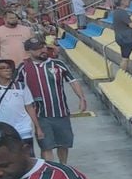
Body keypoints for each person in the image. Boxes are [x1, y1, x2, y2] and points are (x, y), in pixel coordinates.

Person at [17, 35, 85, 164]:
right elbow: (15, 89)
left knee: (63, 144)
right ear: (29, 51)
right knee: (46, 146)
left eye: (43, 46)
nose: (42, 50)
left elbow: (73, 81)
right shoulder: (23, 68)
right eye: (37, 49)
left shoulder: (58, 64)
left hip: (61, 112)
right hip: (40, 115)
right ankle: (50, 170)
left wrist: (81, 98)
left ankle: (63, 166)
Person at [0, 59, 40, 152]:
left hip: (23, 129)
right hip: (3, 131)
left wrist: (37, 127)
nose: (7, 70)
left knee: (28, 156)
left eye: (8, 68)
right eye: (2, 68)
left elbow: (29, 107)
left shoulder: (22, 86)